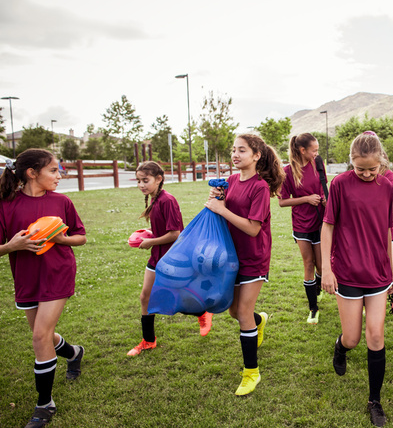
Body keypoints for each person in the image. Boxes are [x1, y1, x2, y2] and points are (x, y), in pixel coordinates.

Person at [0, 150, 87, 428]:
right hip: (26, 279)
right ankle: (74, 353)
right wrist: (11, 247)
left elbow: (81, 236)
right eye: (53, 171)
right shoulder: (6, 204)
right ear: (31, 173)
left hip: (57, 274)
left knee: (40, 337)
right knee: (44, 335)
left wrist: (62, 239)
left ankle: (45, 404)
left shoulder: (61, 201)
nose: (59, 176)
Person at [321, 131, 393, 428]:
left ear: (381, 164)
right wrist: (326, 268)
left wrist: (392, 272)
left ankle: (374, 400)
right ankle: (341, 347)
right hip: (347, 270)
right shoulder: (339, 184)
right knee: (353, 338)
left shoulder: (387, 185)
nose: (365, 174)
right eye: (359, 168)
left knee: (375, 335)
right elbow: (327, 227)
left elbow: (388, 229)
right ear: (350, 162)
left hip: (378, 273)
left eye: (371, 169)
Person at [205, 134, 284, 396]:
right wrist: (217, 199)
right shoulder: (230, 181)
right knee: (235, 312)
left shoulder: (260, 187)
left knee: (242, 314)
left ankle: (252, 373)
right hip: (231, 256)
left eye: (242, 150)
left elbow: (252, 229)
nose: (235, 155)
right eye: (233, 150)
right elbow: (221, 209)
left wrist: (222, 210)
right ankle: (260, 321)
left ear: (256, 155)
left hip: (253, 257)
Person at [127, 161, 205, 357]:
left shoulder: (167, 200)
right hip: (157, 257)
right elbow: (163, 230)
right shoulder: (154, 199)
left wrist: (150, 242)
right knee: (145, 297)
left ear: (159, 179)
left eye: (145, 180)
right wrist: (149, 235)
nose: (141, 185)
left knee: (178, 299)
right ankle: (148, 341)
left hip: (173, 259)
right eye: (138, 181)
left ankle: (202, 312)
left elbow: (176, 234)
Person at [279, 133, 326, 324]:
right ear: (302, 150)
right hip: (301, 224)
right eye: (314, 150)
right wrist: (306, 199)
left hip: (321, 222)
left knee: (321, 266)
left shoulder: (318, 164)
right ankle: (313, 308)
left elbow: (324, 188)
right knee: (308, 263)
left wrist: (323, 198)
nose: (317, 153)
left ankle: (317, 286)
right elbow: (282, 201)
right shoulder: (287, 172)